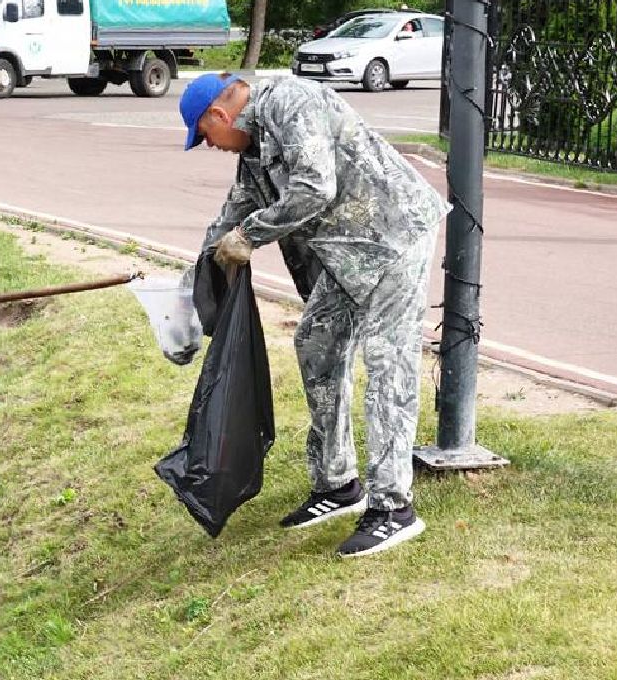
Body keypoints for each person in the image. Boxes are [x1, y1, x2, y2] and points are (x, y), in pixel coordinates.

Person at [169, 72, 449, 558]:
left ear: (218, 115)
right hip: (348, 253)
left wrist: (250, 236)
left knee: (387, 362)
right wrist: (191, 287)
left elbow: (314, 187)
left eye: (207, 139)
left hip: (394, 234)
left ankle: (393, 507)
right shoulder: (253, 148)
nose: (212, 148)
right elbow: (233, 213)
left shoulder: (290, 102)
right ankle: (337, 484)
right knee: (316, 345)